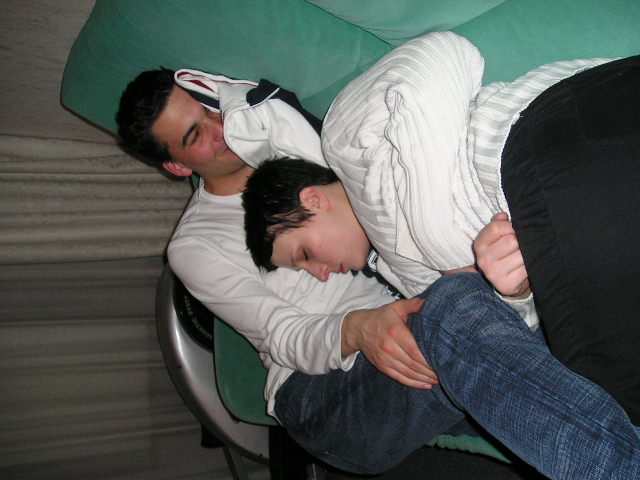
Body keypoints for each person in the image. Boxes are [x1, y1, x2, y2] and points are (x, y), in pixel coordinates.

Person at [118, 67, 640, 479]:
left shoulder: (282, 145)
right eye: (195, 135)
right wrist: (358, 328)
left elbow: (374, 194)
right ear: (177, 166)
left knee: (547, 333)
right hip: (322, 392)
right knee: (452, 313)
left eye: (210, 110)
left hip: (432, 314)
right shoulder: (195, 246)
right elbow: (278, 334)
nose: (219, 131)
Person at [244, 31, 640, 425]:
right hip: (564, 240)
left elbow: (446, 53)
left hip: (544, 137)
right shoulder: (407, 279)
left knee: (599, 377)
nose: (321, 274)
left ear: (312, 200)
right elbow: (522, 328)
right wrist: (515, 291)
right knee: (614, 390)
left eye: (304, 255)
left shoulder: (343, 144)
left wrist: (437, 239)